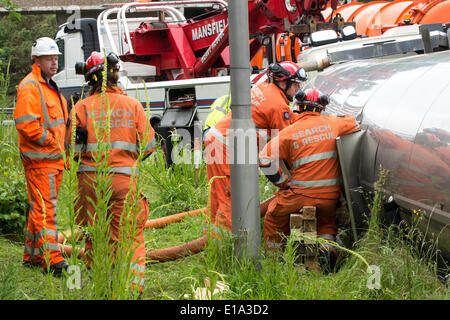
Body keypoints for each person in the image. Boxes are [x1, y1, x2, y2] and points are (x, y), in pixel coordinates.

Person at [72, 51, 155, 293]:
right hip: (124, 181)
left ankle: (102, 287)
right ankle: (131, 290)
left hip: (89, 182)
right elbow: (148, 148)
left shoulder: (81, 107)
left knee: (96, 236)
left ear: (90, 80)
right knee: (128, 236)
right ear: (115, 74)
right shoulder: (132, 105)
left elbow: (71, 152)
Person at [258, 87, 360, 272]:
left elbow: (264, 159)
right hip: (329, 198)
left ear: (298, 106)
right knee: (326, 223)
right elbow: (355, 124)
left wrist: (282, 182)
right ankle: (327, 251)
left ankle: (273, 264)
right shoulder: (333, 124)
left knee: (273, 218)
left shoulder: (288, 133)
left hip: (299, 196)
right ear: (322, 107)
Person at [204, 61, 306, 237]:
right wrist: (290, 180)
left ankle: (212, 240)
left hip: (216, 140)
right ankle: (229, 246)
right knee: (231, 197)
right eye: (295, 83)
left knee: (218, 194)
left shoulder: (264, 89)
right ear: (283, 82)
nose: (298, 89)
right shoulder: (278, 106)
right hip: (228, 148)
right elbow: (285, 147)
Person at [14, 37, 69, 275]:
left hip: (51, 160)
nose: (54, 62)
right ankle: (52, 259)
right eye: (49, 58)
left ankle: (32, 255)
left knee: (40, 207)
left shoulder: (47, 85)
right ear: (37, 60)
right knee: (46, 209)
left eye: (56, 58)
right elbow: (26, 124)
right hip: (41, 160)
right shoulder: (30, 87)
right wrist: (51, 141)